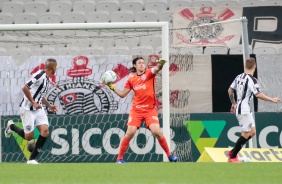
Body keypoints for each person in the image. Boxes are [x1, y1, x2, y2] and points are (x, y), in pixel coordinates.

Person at [103, 56, 178, 163]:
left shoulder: (149, 73)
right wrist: (111, 86)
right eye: (139, 63)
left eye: (143, 62)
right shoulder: (131, 78)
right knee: (130, 132)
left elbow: (157, 69)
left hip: (149, 110)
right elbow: (123, 94)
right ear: (135, 65)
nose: (142, 64)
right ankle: (119, 159)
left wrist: (161, 64)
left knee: (156, 131)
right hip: (136, 110)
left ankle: (170, 156)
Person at [5, 58, 58, 164]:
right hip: (27, 109)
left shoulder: (47, 79)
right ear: (53, 68)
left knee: (45, 131)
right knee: (28, 137)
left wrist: (49, 105)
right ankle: (11, 126)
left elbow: (40, 95)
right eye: (56, 67)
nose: (56, 68)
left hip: (39, 109)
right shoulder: (40, 76)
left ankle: (32, 159)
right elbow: (24, 88)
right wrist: (33, 102)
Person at [227, 57, 280, 162]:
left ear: (244, 66)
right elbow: (258, 94)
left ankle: (233, 151)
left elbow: (230, 90)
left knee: (252, 132)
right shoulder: (252, 80)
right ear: (255, 67)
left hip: (243, 110)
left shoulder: (238, 77)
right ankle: (232, 157)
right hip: (244, 110)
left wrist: (233, 103)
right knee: (246, 133)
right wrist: (272, 99)